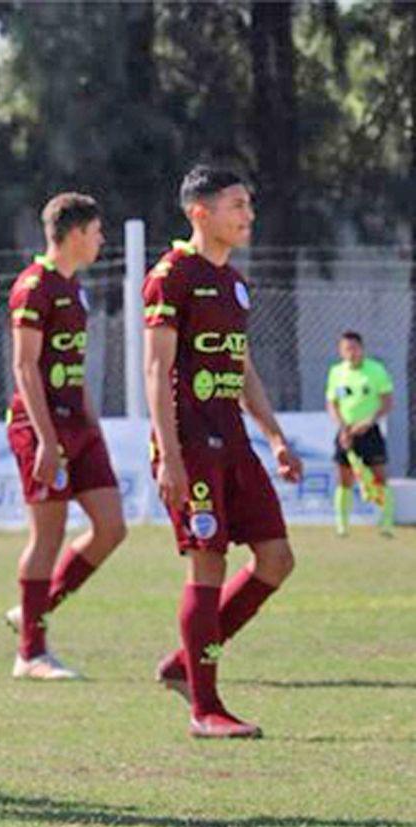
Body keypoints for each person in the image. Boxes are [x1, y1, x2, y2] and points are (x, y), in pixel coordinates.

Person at [143, 164, 302, 739]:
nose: (248, 215)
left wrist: (275, 436)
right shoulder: (172, 275)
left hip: (233, 440)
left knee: (276, 559)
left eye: (249, 205)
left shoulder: (234, 281)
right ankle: (204, 709)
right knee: (208, 562)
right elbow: (156, 369)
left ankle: (185, 662)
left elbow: (243, 369)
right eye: (237, 205)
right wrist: (169, 454)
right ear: (200, 212)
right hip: (191, 442)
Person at [3, 193, 126, 680]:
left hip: (78, 424)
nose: (101, 241)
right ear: (75, 234)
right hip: (41, 427)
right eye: (96, 232)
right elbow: (25, 366)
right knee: (48, 536)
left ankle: (33, 609)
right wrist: (46, 440)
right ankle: (31, 654)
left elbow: (71, 367)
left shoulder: (75, 288)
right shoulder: (34, 286)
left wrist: (93, 427)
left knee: (111, 527)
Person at [325, 330, 396, 537]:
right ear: (341, 351)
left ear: (362, 349)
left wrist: (369, 421)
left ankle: (386, 523)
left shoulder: (375, 370)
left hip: (369, 431)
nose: (351, 352)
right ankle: (342, 525)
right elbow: (332, 403)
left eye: (355, 348)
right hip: (346, 433)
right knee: (344, 479)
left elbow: (387, 402)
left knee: (379, 477)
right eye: (347, 349)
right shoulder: (336, 372)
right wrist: (343, 428)